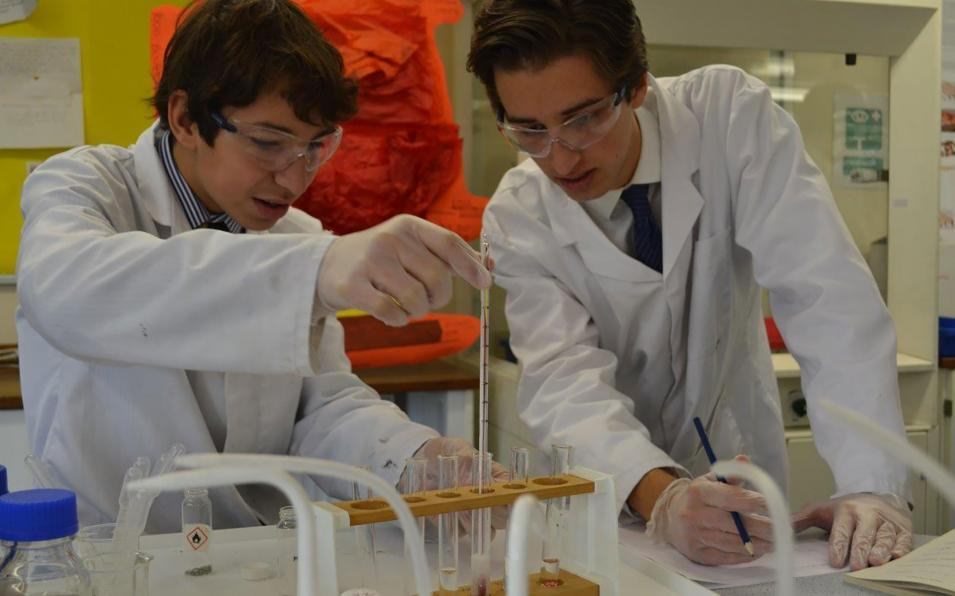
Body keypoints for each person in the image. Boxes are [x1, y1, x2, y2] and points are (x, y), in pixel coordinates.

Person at [16, 0, 502, 533]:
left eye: (316, 147)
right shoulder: (85, 186)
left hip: (247, 552)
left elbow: (319, 408)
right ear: (185, 119)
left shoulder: (295, 237)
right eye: (269, 144)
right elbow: (68, 292)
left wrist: (416, 460)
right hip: (103, 549)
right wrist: (314, 272)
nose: (295, 179)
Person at [469, 0, 912, 570]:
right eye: (530, 130)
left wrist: (871, 482)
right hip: (616, 500)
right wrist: (664, 499)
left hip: (741, 465)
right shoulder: (519, 216)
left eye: (583, 120)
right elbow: (564, 382)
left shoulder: (728, 118)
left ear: (636, 87)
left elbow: (825, 296)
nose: (560, 158)